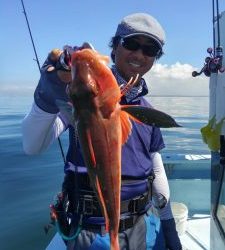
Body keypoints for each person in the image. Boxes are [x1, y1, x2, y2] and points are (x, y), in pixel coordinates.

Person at [22, 12, 182, 250]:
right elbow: (33, 145)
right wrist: (48, 91)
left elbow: (155, 166)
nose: (139, 54)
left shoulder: (147, 112)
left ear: (154, 59)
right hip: (91, 232)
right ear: (114, 47)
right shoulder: (80, 104)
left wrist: (167, 222)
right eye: (131, 44)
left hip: (141, 225)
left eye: (149, 50)